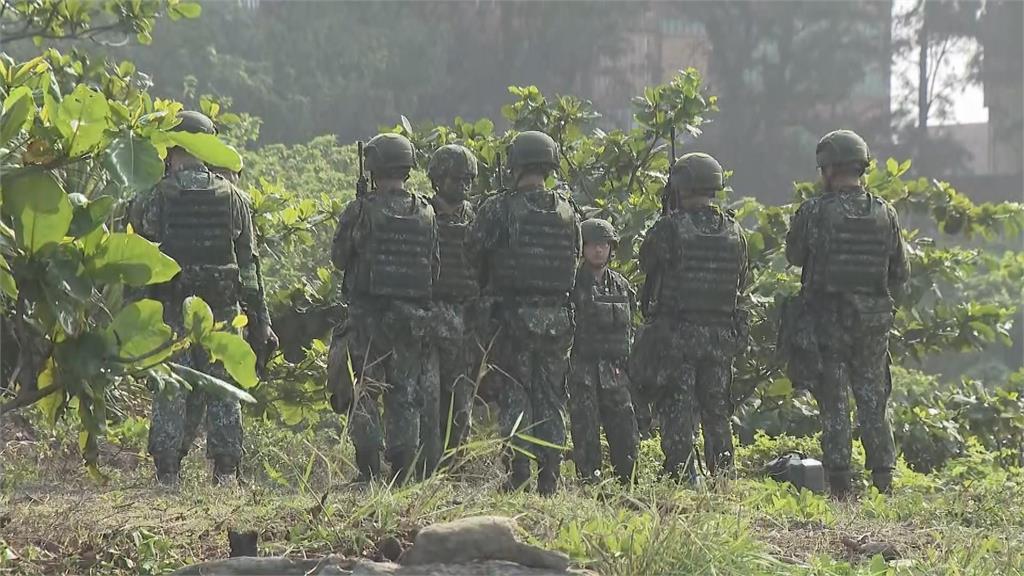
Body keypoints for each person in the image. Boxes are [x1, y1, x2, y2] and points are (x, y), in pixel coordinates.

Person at [128, 110, 277, 485]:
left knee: (171, 388)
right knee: (225, 391)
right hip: (223, 312)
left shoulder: (156, 198)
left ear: (173, 149)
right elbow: (249, 271)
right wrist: (261, 324)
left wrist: (133, 318)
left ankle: (167, 474)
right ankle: (226, 473)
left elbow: (139, 260)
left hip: (172, 310)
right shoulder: (234, 199)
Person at [783, 129, 909, 497]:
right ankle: (883, 480)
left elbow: (794, 256)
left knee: (835, 399)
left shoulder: (815, 212)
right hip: (873, 323)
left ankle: (840, 482)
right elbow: (900, 273)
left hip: (828, 319)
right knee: (873, 399)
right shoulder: (886, 213)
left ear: (827, 168)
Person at [467, 131, 581, 495]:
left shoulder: (499, 208)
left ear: (514, 165)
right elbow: (574, 259)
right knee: (550, 396)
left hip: (512, 317)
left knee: (515, 394)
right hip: (558, 319)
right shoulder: (568, 211)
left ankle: (519, 474)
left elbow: (474, 252)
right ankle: (550, 477)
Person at [330, 133, 438, 483]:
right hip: (411, 321)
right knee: (406, 394)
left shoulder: (361, 210)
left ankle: (368, 471)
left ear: (375, 168)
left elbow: (338, 258)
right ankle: (404, 473)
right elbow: (433, 267)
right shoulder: (425, 212)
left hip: (368, 319)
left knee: (366, 389)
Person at [635, 152, 749, 483]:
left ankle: (682, 474)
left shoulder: (670, 229)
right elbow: (742, 280)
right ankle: (724, 474)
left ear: (680, 187)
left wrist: (666, 213)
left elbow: (648, 262)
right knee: (716, 407)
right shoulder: (735, 231)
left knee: (678, 404)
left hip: (679, 334)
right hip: (720, 335)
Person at [418, 144, 481, 473]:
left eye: (469, 179)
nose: (464, 185)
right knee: (428, 398)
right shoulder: (422, 214)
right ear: (438, 179)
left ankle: (455, 468)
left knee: (460, 400)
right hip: (429, 317)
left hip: (465, 319)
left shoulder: (477, 217)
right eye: (457, 178)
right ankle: (426, 469)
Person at [567, 218, 639, 484]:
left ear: (611, 249)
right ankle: (589, 482)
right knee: (585, 431)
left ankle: (626, 483)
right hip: (582, 370)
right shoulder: (571, 284)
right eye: (592, 245)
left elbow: (632, 328)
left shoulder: (621, 286)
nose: (598, 250)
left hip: (615, 371)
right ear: (582, 248)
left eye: (603, 245)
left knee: (625, 430)